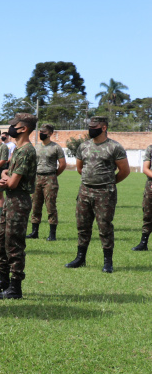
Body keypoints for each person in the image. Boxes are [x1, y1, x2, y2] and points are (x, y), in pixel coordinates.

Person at [65, 116, 130, 272]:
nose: (91, 128)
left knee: (105, 227)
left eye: (95, 126)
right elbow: (80, 169)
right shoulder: (83, 146)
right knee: (82, 226)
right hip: (85, 191)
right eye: (90, 126)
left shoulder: (114, 147)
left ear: (104, 128)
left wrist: (109, 182)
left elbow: (124, 171)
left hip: (105, 193)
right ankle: (80, 258)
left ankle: (108, 262)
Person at [0, 113, 37, 300]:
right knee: (0, 242)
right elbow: (10, 173)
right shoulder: (17, 149)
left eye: (15, 125)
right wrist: (6, 174)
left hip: (19, 201)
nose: (11, 128)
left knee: (13, 244)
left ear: (23, 128)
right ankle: (3, 282)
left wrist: (5, 179)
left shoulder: (26, 150)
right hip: (11, 201)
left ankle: (15, 287)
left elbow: (13, 183)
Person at [27, 124, 66, 241]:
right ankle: (34, 232)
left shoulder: (56, 147)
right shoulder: (36, 147)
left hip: (50, 178)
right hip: (37, 178)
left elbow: (63, 164)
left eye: (44, 132)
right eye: (40, 131)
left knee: (50, 206)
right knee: (35, 205)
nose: (41, 133)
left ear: (50, 133)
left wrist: (53, 175)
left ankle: (52, 234)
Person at [134, 142, 152, 251]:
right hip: (151, 187)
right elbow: (145, 168)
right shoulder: (150, 148)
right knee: (148, 214)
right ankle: (143, 243)